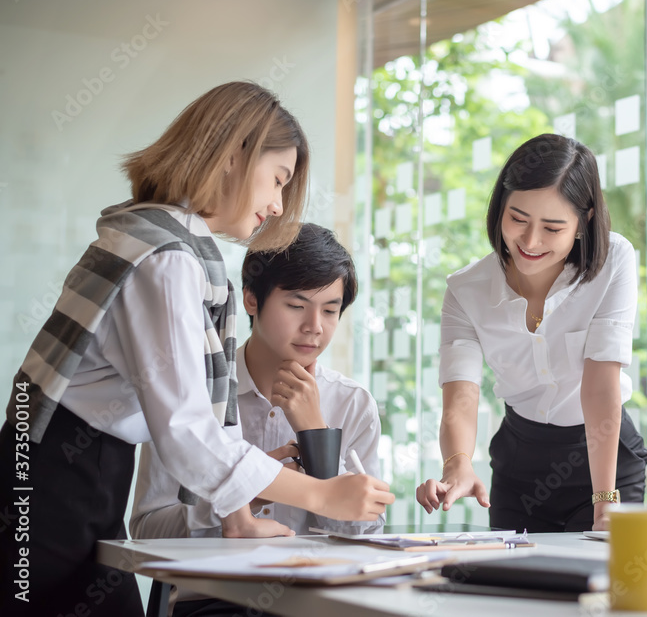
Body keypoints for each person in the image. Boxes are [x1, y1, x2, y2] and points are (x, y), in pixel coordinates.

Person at [0, 82, 394, 617]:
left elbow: (203, 412)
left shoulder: (164, 240)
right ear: (234, 157)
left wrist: (237, 513)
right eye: (277, 181)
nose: (278, 206)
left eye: (330, 309)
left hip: (69, 467)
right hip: (54, 481)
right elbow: (187, 430)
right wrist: (321, 495)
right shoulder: (167, 260)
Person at [131, 222, 384, 615]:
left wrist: (315, 432)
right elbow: (147, 529)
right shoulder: (190, 392)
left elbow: (366, 537)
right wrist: (239, 493)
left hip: (320, 603)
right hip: (212, 603)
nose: (314, 327)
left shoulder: (352, 404)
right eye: (296, 305)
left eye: (330, 310)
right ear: (251, 299)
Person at [415, 133, 647, 533]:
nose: (530, 241)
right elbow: (461, 394)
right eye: (517, 219)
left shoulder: (614, 262)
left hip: (604, 459)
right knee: (515, 588)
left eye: (552, 228)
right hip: (519, 466)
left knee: (603, 587)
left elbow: (599, 386)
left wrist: (605, 501)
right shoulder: (465, 291)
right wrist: (458, 463)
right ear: (500, 207)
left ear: (584, 221)